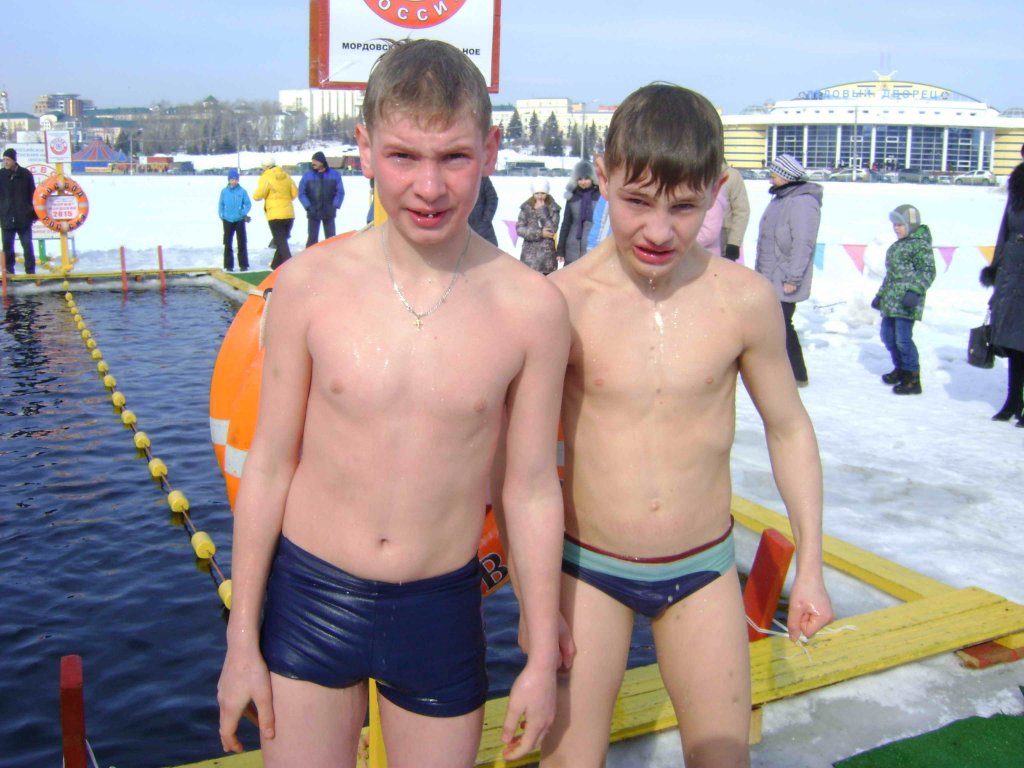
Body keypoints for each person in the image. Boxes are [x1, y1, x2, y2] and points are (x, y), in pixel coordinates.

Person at [216, 39, 569, 768]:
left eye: (454, 157)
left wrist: (539, 649)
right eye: (404, 156)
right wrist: (240, 639)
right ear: (366, 149)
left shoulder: (531, 309)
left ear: (490, 150)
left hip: (440, 609)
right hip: (310, 596)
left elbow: (530, 487)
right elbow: (269, 466)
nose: (429, 187)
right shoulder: (308, 285)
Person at [541, 83, 833, 768]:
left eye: (683, 207)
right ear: (602, 177)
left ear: (717, 192)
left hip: (702, 568)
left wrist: (812, 565)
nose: (658, 231)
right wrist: (532, 596)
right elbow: (517, 461)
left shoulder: (743, 300)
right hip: (587, 569)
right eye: (636, 202)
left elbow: (789, 429)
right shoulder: (561, 303)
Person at [754, 154, 823, 386]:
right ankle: (778, 371)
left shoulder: (802, 203)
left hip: (785, 276)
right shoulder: (781, 198)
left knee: (782, 325)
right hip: (770, 275)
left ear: (787, 176)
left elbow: (803, 243)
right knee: (772, 326)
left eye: (774, 175)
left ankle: (797, 374)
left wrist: (793, 277)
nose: (770, 180)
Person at [871, 205, 935, 395]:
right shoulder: (896, 246)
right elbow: (890, 276)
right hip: (891, 301)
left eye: (900, 225)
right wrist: (880, 295)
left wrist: (915, 291)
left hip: (907, 302)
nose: (896, 228)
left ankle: (912, 377)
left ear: (910, 224)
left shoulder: (920, 245)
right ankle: (900, 368)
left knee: (903, 340)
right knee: (887, 336)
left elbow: (928, 271)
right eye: (894, 225)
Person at [981, 143, 1024, 425]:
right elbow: (1005, 229)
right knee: (1013, 342)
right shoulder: (1018, 184)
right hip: (1013, 269)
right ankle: (1012, 401)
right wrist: (996, 268)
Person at [254, 158, 297, 269]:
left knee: (281, 243)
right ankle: (275, 265)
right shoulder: (286, 176)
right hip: (289, 214)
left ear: (266, 166)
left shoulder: (266, 176)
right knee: (282, 242)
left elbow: (258, 195)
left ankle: (290, 265)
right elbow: (294, 193)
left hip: (275, 215)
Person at [0, 148, 37, 275]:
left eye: (8, 159)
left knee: (27, 246)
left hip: (24, 218)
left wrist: (34, 214)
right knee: (7, 248)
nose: (5, 162)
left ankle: (30, 271)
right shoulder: (1, 175)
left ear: (14, 160)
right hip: (6, 218)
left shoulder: (25, 175)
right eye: (4, 159)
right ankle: (9, 271)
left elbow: (33, 195)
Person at [556, 160, 600, 266]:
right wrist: (561, 249)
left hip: (593, 246)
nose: (583, 182)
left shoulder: (600, 197)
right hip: (572, 248)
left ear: (592, 178)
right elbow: (566, 223)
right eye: (580, 179)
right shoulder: (572, 197)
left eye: (586, 178)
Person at [298, 151, 344, 247]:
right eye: (312, 161)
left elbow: (340, 192)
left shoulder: (334, 175)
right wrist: (308, 206)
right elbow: (301, 193)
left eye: (315, 161)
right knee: (312, 239)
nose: (313, 163)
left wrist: (334, 205)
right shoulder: (307, 176)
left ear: (322, 162)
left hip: (329, 211)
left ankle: (332, 255)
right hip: (313, 211)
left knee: (331, 239)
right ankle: (311, 255)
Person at [516, 178, 560, 274]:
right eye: (537, 193)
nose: (540, 196)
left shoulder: (553, 208)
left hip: (547, 259)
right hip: (529, 259)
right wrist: (540, 233)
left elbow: (552, 230)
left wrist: (542, 211)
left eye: (543, 193)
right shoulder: (526, 207)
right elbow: (520, 229)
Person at [219, 169, 251, 272]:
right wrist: (221, 214)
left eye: (236, 180)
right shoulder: (224, 191)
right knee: (228, 243)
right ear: (228, 180)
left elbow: (248, 203)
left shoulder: (242, 191)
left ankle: (243, 265)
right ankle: (228, 265)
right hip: (227, 219)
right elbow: (221, 204)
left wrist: (243, 212)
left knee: (242, 242)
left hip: (239, 219)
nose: (234, 181)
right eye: (232, 179)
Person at [720, 162, 750, 261]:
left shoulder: (732, 176)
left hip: (724, 243)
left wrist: (734, 243)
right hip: (696, 246)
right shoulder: (695, 173)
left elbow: (741, 211)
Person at [468, 175, 499, 245]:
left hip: (483, 229)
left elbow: (492, 199)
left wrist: (485, 220)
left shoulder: (482, 177)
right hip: (461, 231)